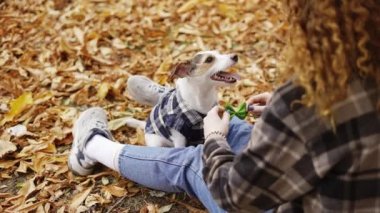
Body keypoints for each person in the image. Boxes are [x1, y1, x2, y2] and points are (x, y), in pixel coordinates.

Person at [68, 0, 380, 212]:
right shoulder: (345, 90)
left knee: (192, 160)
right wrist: (291, 107)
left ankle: (92, 146)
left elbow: (235, 196)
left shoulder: (309, 99)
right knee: (239, 126)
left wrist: (214, 140)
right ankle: (177, 101)